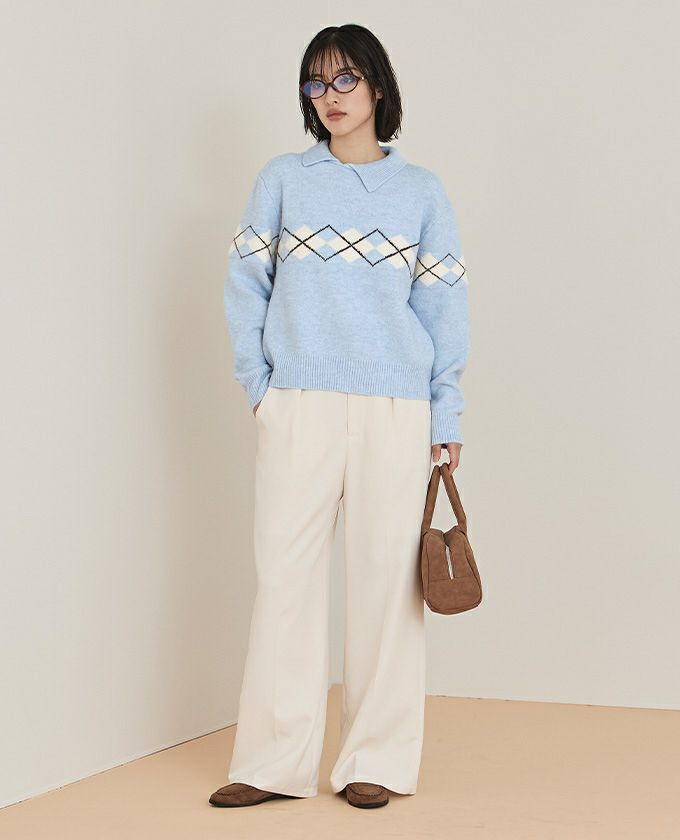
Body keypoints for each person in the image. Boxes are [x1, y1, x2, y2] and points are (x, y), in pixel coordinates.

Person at [209, 23, 470, 811]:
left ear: (378, 86)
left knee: (388, 585)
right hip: (300, 402)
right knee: (284, 580)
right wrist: (262, 387)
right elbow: (245, 287)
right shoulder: (283, 180)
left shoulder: (421, 191)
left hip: (398, 406)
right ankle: (271, 763)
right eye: (316, 83)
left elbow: (443, 309)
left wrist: (446, 413)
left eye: (345, 79)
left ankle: (375, 760)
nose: (330, 96)